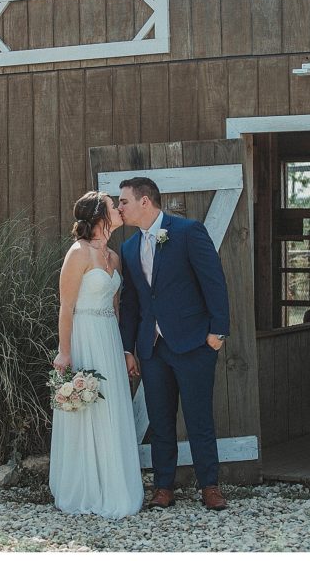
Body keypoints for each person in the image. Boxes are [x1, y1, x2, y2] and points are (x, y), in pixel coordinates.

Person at [117, 177, 230, 511]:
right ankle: (164, 487)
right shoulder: (128, 248)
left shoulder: (187, 232)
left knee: (199, 419)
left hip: (195, 343)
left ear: (145, 202)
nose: (119, 207)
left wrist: (217, 332)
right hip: (152, 350)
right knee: (160, 421)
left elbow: (214, 281)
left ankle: (209, 486)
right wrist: (128, 348)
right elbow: (131, 304)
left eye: (123, 201)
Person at [49, 191, 144, 519]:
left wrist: (121, 349)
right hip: (84, 335)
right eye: (112, 205)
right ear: (99, 217)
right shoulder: (78, 253)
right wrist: (65, 352)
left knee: (111, 408)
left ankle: (114, 486)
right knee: (89, 409)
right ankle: (86, 488)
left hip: (108, 337)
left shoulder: (114, 258)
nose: (119, 208)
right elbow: (66, 307)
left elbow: (117, 308)